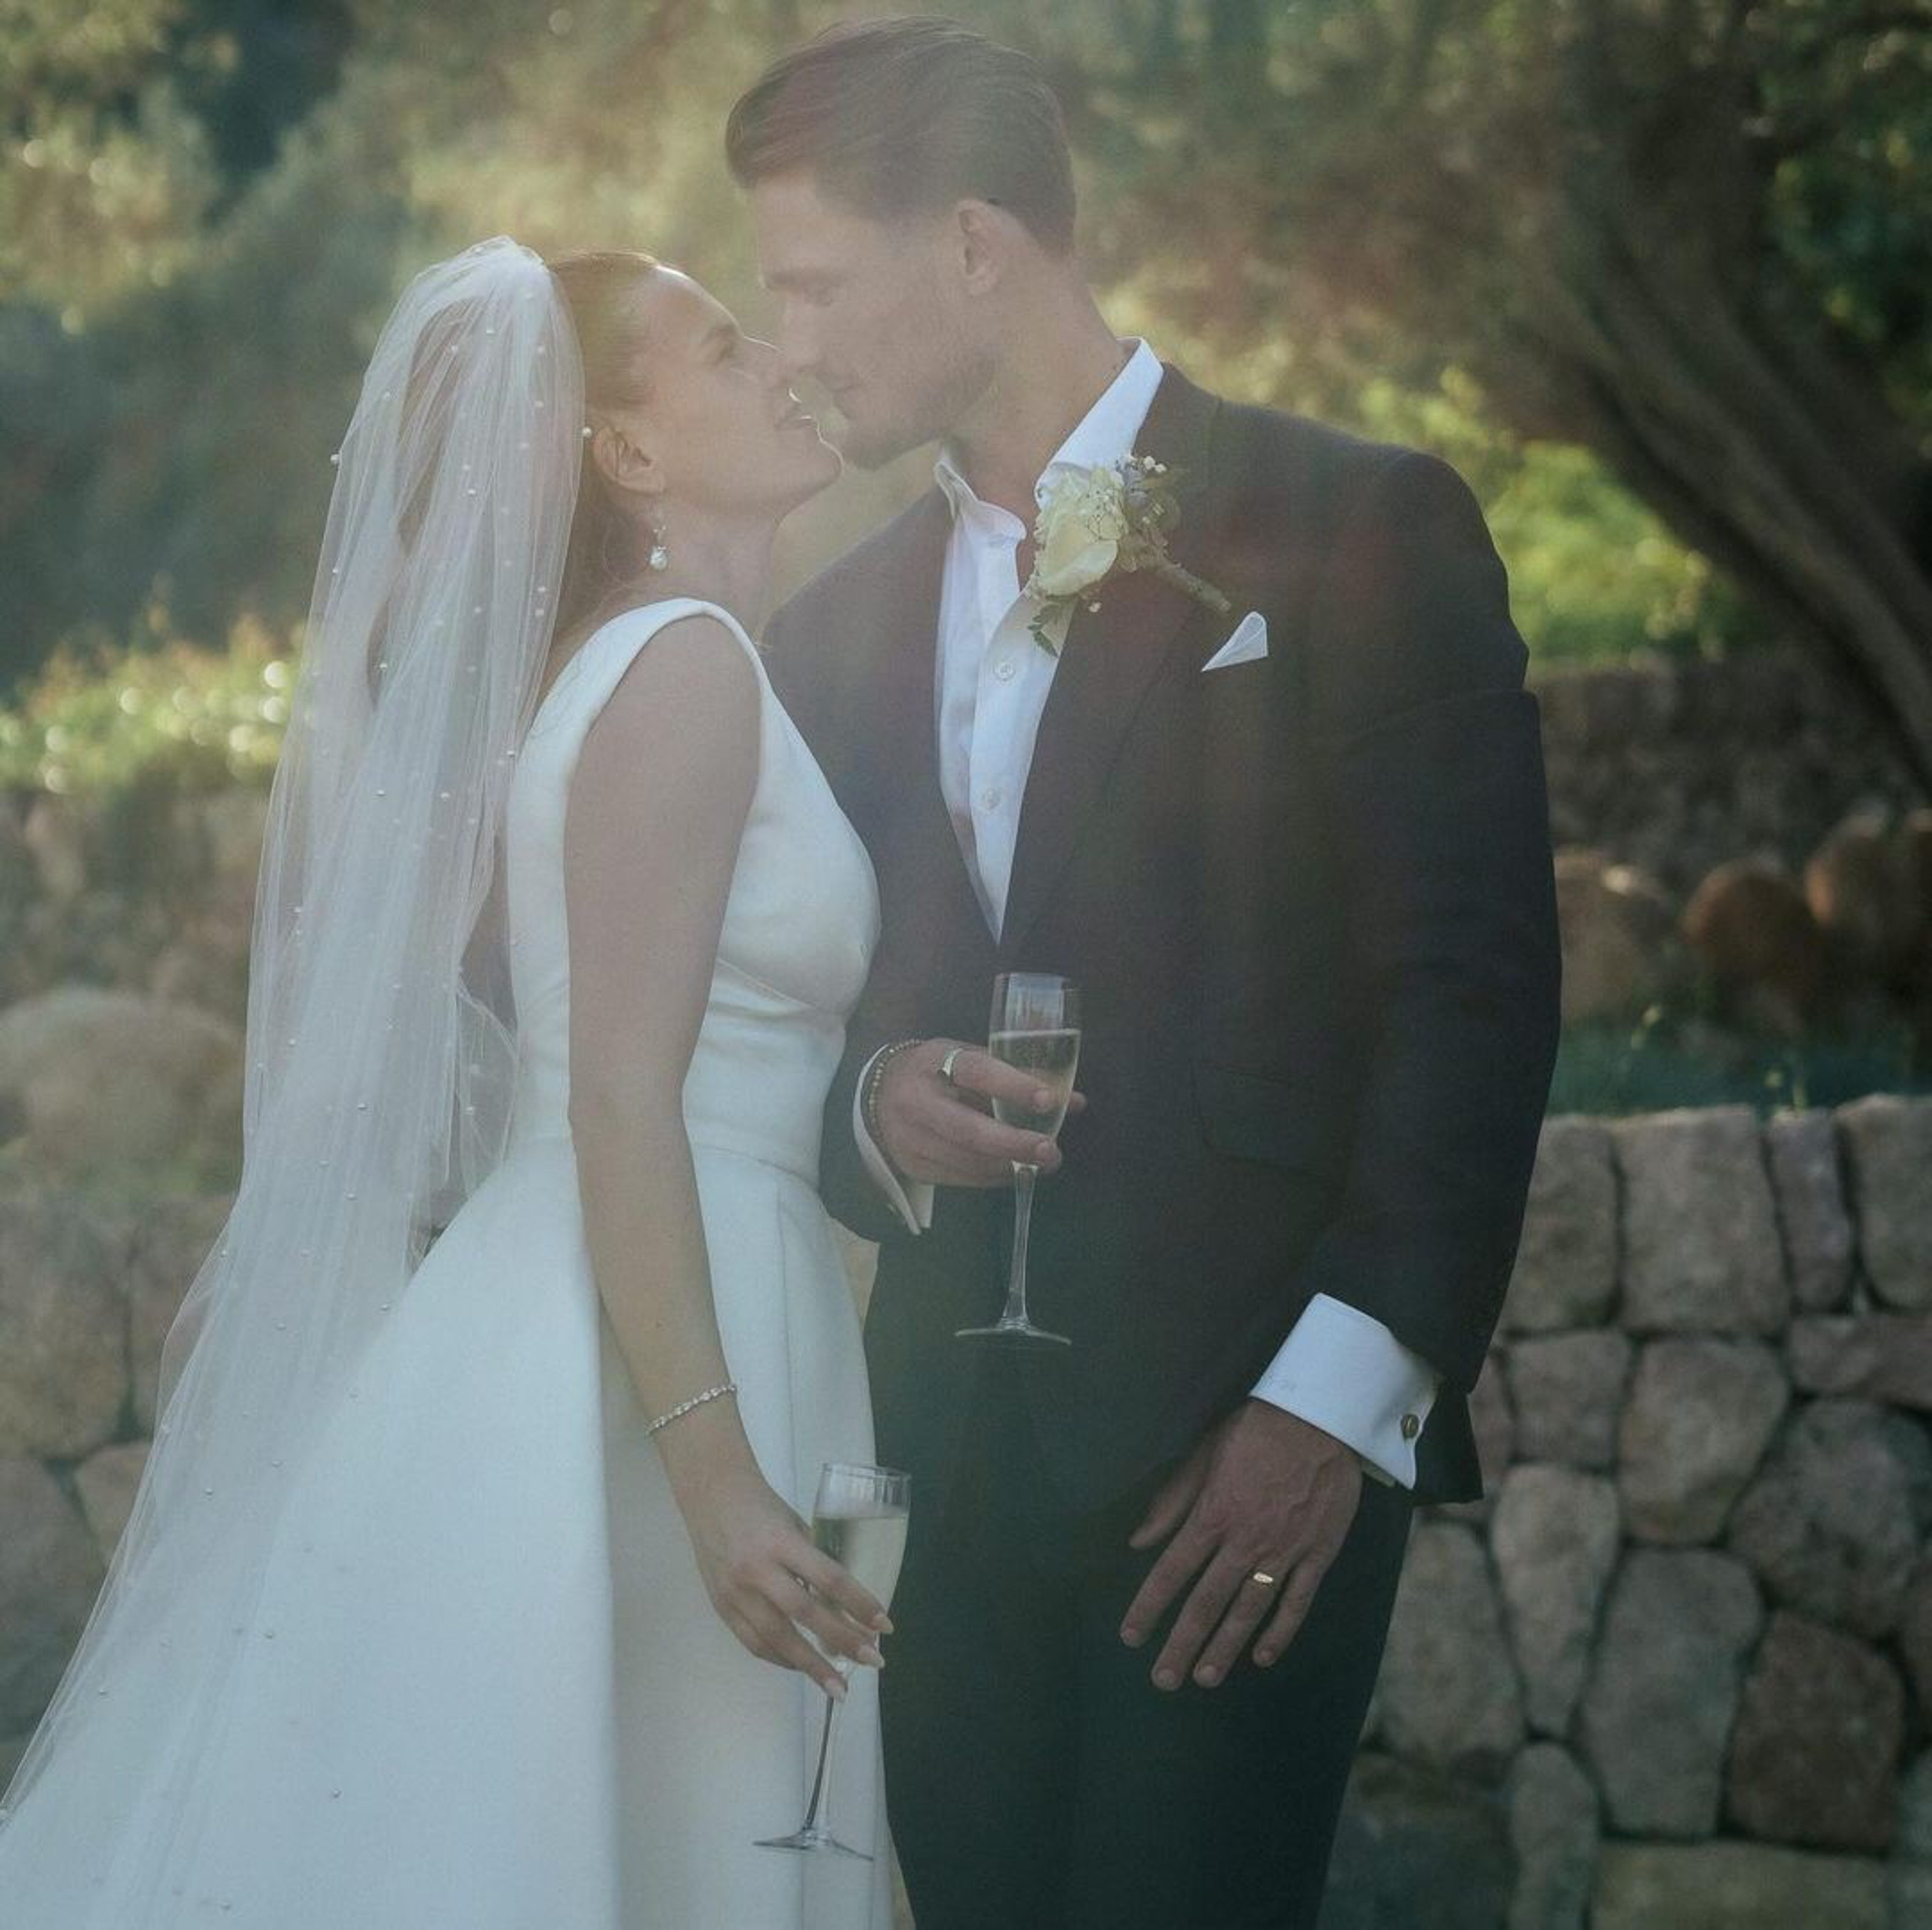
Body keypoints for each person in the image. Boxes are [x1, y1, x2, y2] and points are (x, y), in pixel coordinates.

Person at [730, 19, 1564, 1927]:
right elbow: (809, 1004)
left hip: (1233, 1463)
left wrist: (1325, 1413)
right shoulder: (831, 629)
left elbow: (1468, 991)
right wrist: (876, 1101)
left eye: (814, 287)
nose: (791, 343)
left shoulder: (1354, 520)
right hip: (934, 1470)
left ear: (968, 244)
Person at [0, 238, 898, 1927]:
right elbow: (619, 1097)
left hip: (640, 1302)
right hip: (650, 1350)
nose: (779, 356)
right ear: (622, 450)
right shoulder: (682, 661)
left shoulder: (640, 664)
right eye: (717, 345)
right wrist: (713, 1485)